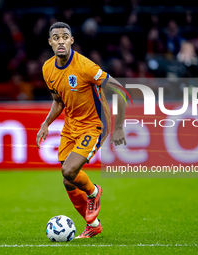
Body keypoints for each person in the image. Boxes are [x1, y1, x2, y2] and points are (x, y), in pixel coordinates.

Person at [36, 22, 126, 239]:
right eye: (55, 37)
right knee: (68, 179)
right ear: (50, 42)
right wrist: (46, 123)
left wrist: (119, 126)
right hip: (71, 125)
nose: (60, 41)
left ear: (71, 40)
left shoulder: (85, 66)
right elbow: (58, 101)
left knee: (68, 170)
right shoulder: (47, 69)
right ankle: (93, 224)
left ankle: (94, 191)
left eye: (64, 37)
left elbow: (120, 91)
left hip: (95, 124)